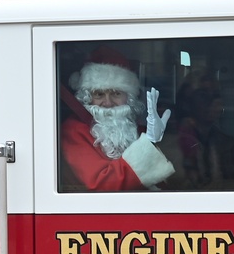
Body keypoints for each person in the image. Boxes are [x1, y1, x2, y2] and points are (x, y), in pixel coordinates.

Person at [60, 51, 174, 191]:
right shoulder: (74, 131)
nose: (108, 103)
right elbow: (103, 184)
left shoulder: (136, 130)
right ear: (87, 97)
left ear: (129, 97)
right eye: (99, 94)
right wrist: (149, 142)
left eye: (116, 93)